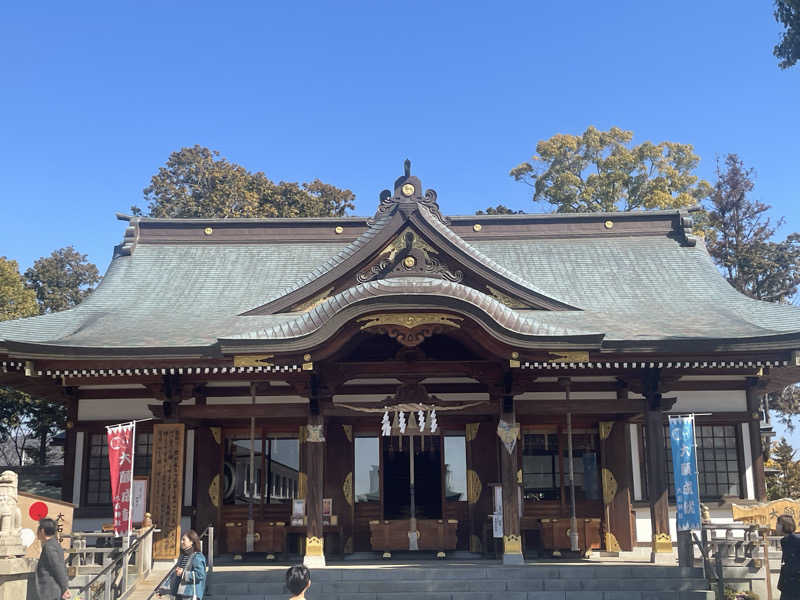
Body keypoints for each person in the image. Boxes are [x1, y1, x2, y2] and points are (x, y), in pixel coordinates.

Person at [161, 529, 207, 599]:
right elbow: (174, 574)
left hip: (190, 594)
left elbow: (200, 575)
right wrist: (163, 590)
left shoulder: (197, 556)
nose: (181, 542)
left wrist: (183, 573)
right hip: (179, 593)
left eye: (184, 540)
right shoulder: (182, 555)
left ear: (191, 541)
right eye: (181, 540)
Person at [35, 517, 71, 600]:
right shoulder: (54, 544)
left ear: (42, 531)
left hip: (50, 591)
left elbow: (57, 567)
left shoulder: (49, 547)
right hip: (54, 590)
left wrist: (65, 588)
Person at [778, 514, 800, 600]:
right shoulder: (784, 541)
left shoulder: (797, 540)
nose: (776, 526)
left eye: (778, 524)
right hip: (786, 583)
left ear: (785, 525)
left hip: (796, 583)